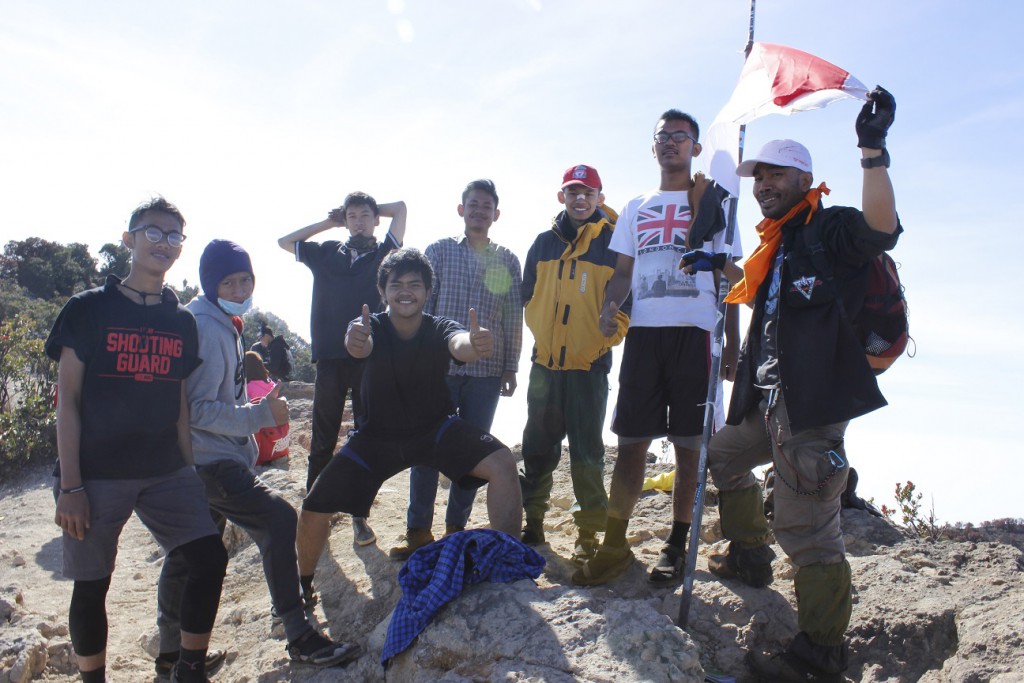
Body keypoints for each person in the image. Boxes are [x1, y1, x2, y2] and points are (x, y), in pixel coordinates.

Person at [697, 87, 900, 682]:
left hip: (813, 411)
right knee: (722, 457)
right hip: (772, 404)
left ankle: (820, 655)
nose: (762, 185)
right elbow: (770, 298)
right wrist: (720, 268)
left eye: (774, 174)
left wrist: (872, 151)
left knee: (809, 532)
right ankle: (750, 556)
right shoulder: (779, 243)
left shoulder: (830, 228)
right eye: (757, 176)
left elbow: (881, 230)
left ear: (802, 177)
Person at [46, 197, 228, 683]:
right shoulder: (87, 309)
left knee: (209, 558)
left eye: (173, 237)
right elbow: (68, 401)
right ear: (129, 239)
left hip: (166, 468)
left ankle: (188, 669)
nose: (163, 244)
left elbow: (180, 402)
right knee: (92, 585)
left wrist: (188, 469)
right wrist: (71, 485)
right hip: (97, 472)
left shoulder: (181, 321)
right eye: (153, 233)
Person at [155, 240, 357, 671]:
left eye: (245, 278)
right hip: (212, 461)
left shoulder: (219, 320)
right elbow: (200, 409)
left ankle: (170, 655)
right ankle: (299, 634)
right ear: (212, 284)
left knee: (185, 556)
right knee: (280, 520)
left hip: (197, 461)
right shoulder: (207, 326)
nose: (239, 287)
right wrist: (261, 414)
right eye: (228, 281)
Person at [295, 249, 523, 604]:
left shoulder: (438, 326)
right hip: (375, 440)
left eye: (415, 284)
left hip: (436, 431)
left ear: (428, 291)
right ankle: (303, 586)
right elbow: (360, 345)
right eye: (396, 284)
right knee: (312, 508)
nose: (406, 291)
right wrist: (355, 342)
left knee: (503, 463)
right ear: (382, 291)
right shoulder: (368, 326)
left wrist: (474, 345)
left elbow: (458, 343)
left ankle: (511, 559)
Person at [574, 110, 742, 586]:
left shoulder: (716, 203)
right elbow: (623, 273)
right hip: (645, 335)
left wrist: (729, 343)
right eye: (662, 137)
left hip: (696, 333)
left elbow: (733, 279)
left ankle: (676, 543)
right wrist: (610, 307)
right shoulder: (634, 206)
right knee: (632, 445)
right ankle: (614, 545)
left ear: (695, 147)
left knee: (690, 449)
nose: (671, 143)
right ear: (653, 148)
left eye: (680, 136)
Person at [390, 179, 523, 560]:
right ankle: (418, 531)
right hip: (438, 368)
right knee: (425, 448)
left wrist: (511, 365)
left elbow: (513, 316)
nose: (480, 211)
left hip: (487, 370)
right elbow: (418, 307)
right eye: (473, 205)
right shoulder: (439, 253)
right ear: (461, 210)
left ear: (496, 215)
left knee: (470, 453)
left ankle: (455, 530)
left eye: (487, 206)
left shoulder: (507, 261)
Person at [278, 192, 408, 545]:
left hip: (369, 357)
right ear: (345, 220)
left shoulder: (384, 255)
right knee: (322, 439)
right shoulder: (326, 253)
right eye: (353, 216)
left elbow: (401, 209)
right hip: (330, 359)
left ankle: (359, 518)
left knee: (365, 439)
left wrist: (373, 208)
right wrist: (330, 221)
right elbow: (285, 242)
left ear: (374, 220)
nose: (359, 221)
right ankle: (314, 512)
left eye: (365, 215)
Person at [519, 164, 629, 565]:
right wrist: (540, 335)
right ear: (561, 196)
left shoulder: (616, 244)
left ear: (601, 197)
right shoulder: (542, 243)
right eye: (572, 192)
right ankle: (533, 521)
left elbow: (627, 305)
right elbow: (525, 296)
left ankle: (588, 533)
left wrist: (604, 337)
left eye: (588, 193)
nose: (580, 199)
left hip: (589, 366)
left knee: (587, 454)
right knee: (537, 447)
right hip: (544, 365)